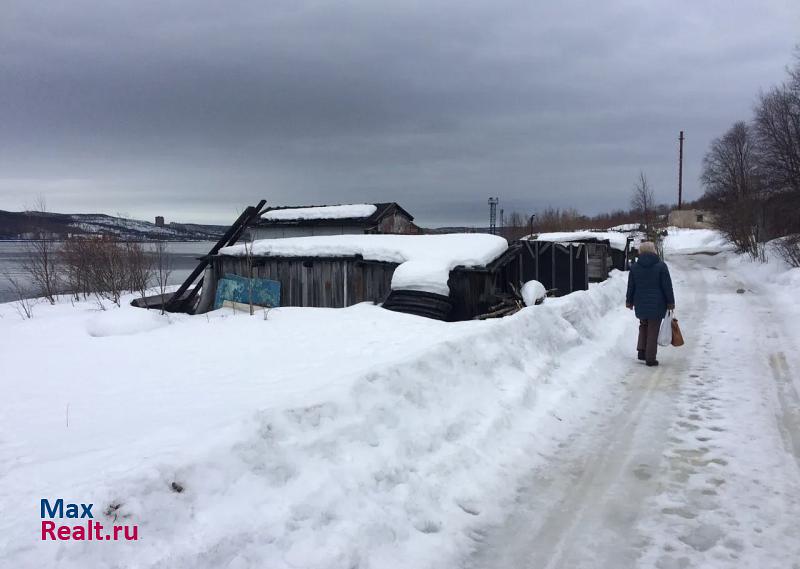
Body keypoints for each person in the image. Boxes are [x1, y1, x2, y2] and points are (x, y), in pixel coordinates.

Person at [626, 241, 675, 366]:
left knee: (643, 326)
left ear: (640, 252)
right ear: (653, 250)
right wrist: (670, 302)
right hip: (657, 303)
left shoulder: (635, 267)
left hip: (640, 302)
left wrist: (629, 301)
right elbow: (667, 286)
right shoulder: (661, 266)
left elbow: (631, 286)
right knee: (653, 329)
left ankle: (641, 352)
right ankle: (650, 358)